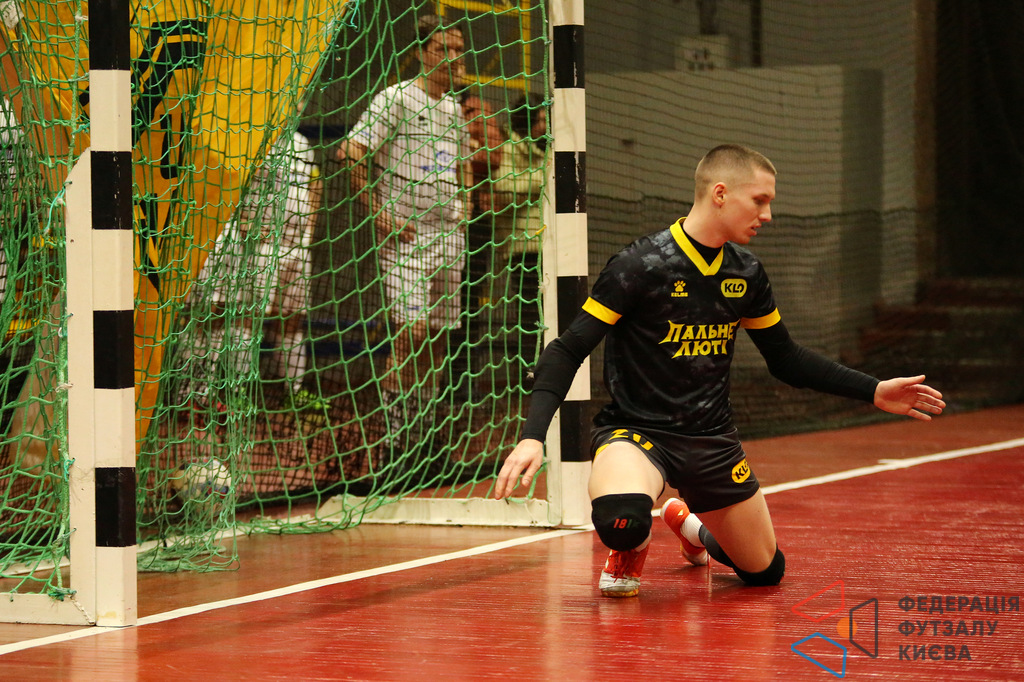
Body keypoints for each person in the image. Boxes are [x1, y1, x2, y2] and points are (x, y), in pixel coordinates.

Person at [493, 144, 946, 598]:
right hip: (636, 434)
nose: (768, 215)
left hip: (710, 440)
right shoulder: (640, 264)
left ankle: (691, 528)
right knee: (623, 520)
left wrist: (874, 390)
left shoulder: (746, 273)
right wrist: (533, 436)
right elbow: (567, 349)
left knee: (765, 573)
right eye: (760, 200)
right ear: (721, 194)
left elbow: (786, 359)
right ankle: (630, 546)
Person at [338, 14, 470, 442]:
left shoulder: (454, 107)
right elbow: (351, 151)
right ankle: (397, 438)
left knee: (438, 338)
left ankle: (423, 435)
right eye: (442, 49)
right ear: (420, 53)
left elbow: (464, 162)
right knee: (411, 334)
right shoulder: (395, 97)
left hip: (449, 236)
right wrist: (377, 212)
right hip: (407, 236)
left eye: (458, 50)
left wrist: (466, 202)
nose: (452, 58)